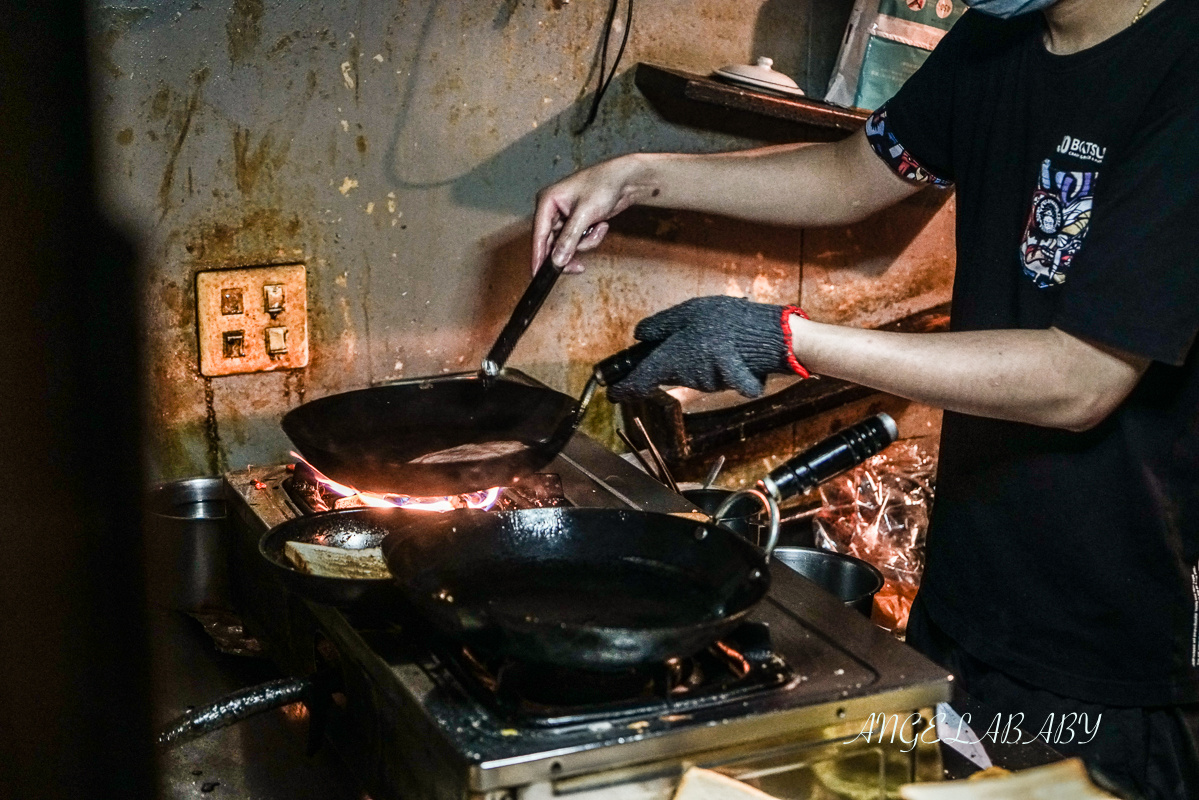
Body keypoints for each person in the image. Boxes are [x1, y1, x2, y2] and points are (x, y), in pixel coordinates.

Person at [530, 0, 1199, 796]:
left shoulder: (1182, 67)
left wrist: (788, 341)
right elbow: (852, 174)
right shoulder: (993, 39)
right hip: (962, 606)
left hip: (1108, 649)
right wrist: (640, 175)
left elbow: (1079, 379)